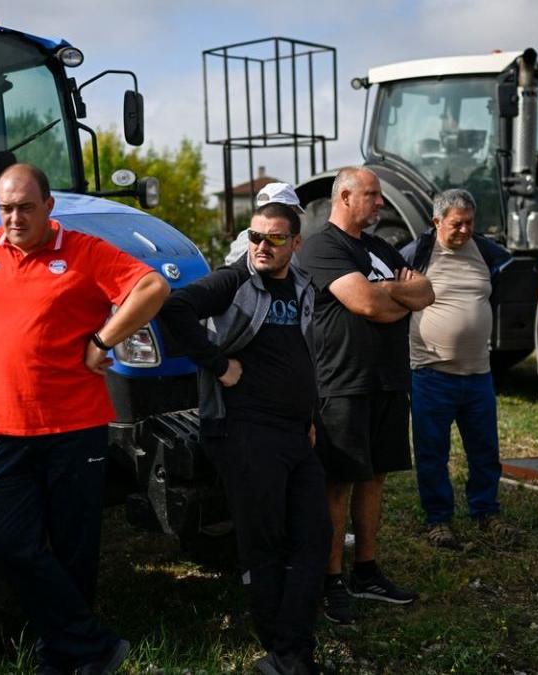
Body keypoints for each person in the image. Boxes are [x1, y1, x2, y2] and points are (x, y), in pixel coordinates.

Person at [0, 164, 169, 675]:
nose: (14, 218)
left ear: (48, 207)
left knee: (75, 548)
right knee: (9, 543)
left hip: (76, 426)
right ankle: (94, 643)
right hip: (8, 426)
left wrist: (103, 340)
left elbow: (151, 288)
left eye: (25, 207)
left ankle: (62, 652)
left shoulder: (84, 250)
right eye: (7, 207)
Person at [159, 191, 328, 675]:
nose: (262, 246)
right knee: (265, 543)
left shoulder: (301, 286)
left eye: (275, 238)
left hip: (296, 433)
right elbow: (174, 309)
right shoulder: (235, 280)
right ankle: (283, 653)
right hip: (246, 431)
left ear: (295, 242)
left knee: (314, 536)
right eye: (256, 236)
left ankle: (292, 649)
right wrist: (217, 364)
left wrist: (310, 415)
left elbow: (306, 357)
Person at [296, 167, 433, 624]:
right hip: (343, 384)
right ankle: (331, 580)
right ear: (346, 196)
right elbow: (367, 304)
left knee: (375, 478)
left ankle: (367, 570)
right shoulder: (322, 246)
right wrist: (397, 293)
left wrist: (387, 291)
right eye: (372, 196)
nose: (380, 204)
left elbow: (427, 291)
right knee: (339, 482)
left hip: (389, 382)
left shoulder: (379, 248)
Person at [399, 189, 515, 550]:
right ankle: (438, 520)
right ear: (436, 222)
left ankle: (485, 510)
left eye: (469, 222)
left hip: (478, 374)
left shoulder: (485, 252)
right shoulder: (416, 254)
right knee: (433, 453)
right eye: (456, 223)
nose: (464, 230)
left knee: (485, 450)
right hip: (431, 375)